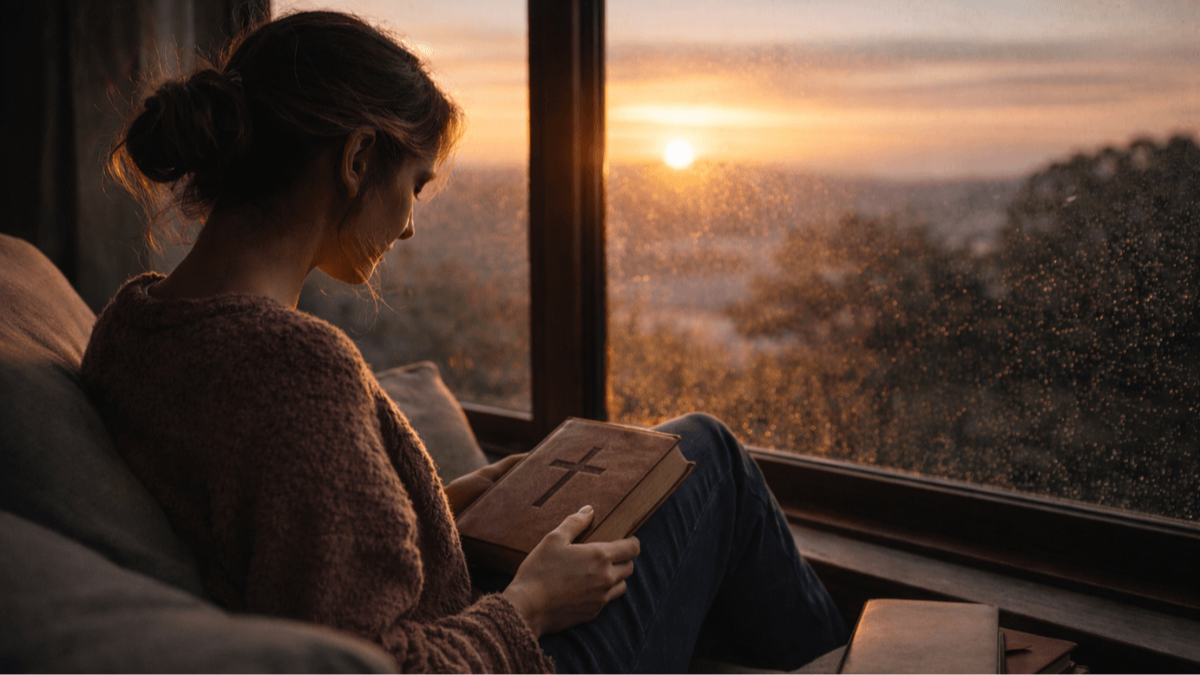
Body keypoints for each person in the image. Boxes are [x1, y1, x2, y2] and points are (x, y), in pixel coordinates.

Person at [81, 10, 847, 674]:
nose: (410, 224)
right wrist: (531, 605)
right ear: (356, 160)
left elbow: (274, 527)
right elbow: (369, 660)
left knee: (673, 456)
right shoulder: (298, 370)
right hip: (514, 654)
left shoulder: (133, 325)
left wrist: (437, 507)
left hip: (459, 613)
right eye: (414, 184)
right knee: (708, 453)